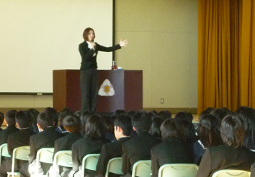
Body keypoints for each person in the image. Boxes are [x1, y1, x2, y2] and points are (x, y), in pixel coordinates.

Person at [79, 27, 128, 113]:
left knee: (94, 93)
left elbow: (107, 49)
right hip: (85, 71)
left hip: (94, 70)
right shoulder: (82, 46)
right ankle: (85, 113)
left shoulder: (95, 44)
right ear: (85, 35)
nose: (91, 35)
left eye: (93, 33)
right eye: (89, 33)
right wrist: (92, 49)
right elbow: (85, 58)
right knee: (86, 93)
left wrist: (119, 45)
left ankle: (93, 113)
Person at [20, 110, 63, 177]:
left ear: (38, 126)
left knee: (22, 168)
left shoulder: (34, 138)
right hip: (57, 169)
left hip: (39, 169)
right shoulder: (62, 136)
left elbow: (32, 157)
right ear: (54, 123)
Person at [121, 111, 161, 177]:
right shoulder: (159, 142)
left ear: (133, 128)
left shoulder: (127, 144)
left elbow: (124, 170)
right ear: (150, 126)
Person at [0, 111, 34, 177]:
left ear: (17, 124)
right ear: (31, 123)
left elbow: (10, 152)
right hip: (28, 165)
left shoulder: (12, 137)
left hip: (14, 165)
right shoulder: (35, 136)